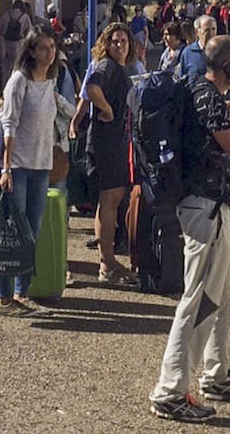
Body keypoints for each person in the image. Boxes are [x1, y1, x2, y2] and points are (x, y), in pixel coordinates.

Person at [149, 35, 230, 422]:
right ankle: (170, 391)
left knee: (226, 299)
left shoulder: (197, 90)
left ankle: (218, 373)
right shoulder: (210, 99)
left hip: (213, 207)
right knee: (198, 301)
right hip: (204, 208)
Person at [0, 26, 64, 316]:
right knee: (12, 231)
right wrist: (6, 167)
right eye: (44, 47)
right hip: (18, 167)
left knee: (32, 232)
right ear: (32, 50)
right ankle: (3, 297)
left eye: (53, 47)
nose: (51, 52)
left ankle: (23, 292)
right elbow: (8, 123)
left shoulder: (50, 80)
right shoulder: (18, 81)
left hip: (41, 166)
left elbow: (56, 114)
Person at [84, 22, 141, 284]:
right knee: (111, 201)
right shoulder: (106, 66)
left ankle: (106, 260)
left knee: (107, 203)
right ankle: (107, 264)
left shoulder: (122, 68)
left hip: (116, 141)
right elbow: (92, 89)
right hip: (107, 144)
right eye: (114, 41)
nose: (119, 45)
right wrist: (106, 109)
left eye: (123, 41)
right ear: (106, 44)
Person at [0, 0, 33, 75]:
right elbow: (30, 31)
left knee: (6, 65)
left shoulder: (7, 14)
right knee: (17, 64)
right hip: (19, 43)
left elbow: (0, 27)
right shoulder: (24, 16)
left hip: (5, 42)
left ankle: (4, 82)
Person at [179, 15, 218, 80]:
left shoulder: (221, 51)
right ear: (197, 32)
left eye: (213, 29)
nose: (211, 34)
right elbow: (182, 79)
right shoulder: (188, 53)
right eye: (206, 30)